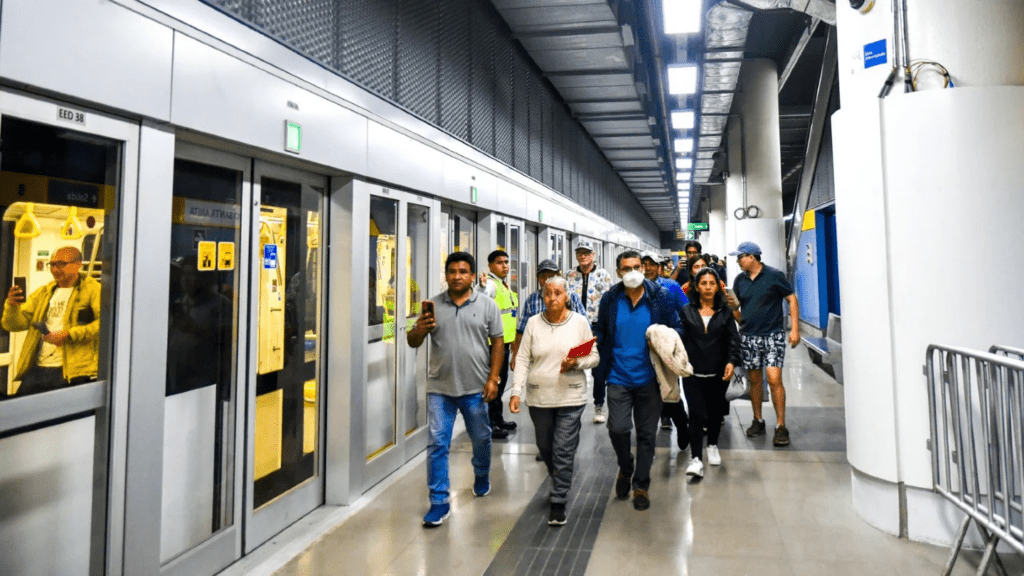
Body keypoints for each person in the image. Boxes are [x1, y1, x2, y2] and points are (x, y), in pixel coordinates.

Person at [407, 252, 503, 527]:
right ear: (446, 275)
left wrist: (493, 379)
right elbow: (412, 341)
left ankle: (482, 474)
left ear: (473, 275)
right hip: (440, 388)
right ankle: (439, 500)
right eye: (452, 271)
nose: (457, 276)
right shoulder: (433, 306)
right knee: (437, 443)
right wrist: (419, 329)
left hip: (475, 387)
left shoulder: (486, 305)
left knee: (482, 439)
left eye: (463, 271)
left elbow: (497, 342)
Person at [594, 250, 682, 511]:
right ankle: (625, 466)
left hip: (650, 379)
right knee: (618, 428)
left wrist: (665, 336)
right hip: (618, 376)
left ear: (643, 269)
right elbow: (600, 331)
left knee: (646, 435)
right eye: (626, 268)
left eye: (636, 266)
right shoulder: (611, 299)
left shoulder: (660, 297)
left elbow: (678, 328)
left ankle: (641, 485)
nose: (632, 271)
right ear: (619, 272)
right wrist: (582, 349)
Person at [509, 276, 599, 526]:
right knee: (545, 447)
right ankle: (558, 475)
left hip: (571, 394)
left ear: (566, 296)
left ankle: (559, 499)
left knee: (563, 449)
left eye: (558, 293)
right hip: (539, 396)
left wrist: (576, 362)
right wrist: (516, 391)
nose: (552, 298)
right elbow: (523, 359)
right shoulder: (533, 324)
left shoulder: (579, 323)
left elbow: (594, 357)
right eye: (547, 293)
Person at [726, 241, 800, 447]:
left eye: (740, 257)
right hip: (749, 336)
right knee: (755, 380)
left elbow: (791, 300)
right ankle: (758, 420)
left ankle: (780, 426)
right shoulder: (740, 280)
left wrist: (795, 329)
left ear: (752, 257)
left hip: (773, 335)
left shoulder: (774, 275)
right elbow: (739, 311)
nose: (738, 261)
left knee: (774, 378)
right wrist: (732, 309)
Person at [3, 246, 101, 396]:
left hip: (70, 371)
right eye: (52, 265)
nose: (55, 269)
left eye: (61, 264)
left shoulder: (93, 290)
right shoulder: (44, 292)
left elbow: (104, 325)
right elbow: (15, 325)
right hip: (39, 366)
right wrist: (12, 306)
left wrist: (69, 334)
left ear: (78, 265)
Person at [679, 267, 741, 477]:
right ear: (696, 286)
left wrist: (732, 361)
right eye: (703, 283)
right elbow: (679, 338)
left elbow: (734, 339)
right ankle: (696, 458)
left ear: (718, 287)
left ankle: (712, 445)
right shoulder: (686, 311)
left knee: (715, 413)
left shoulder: (725, 312)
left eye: (711, 283)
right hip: (692, 374)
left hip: (718, 374)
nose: (707, 287)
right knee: (695, 414)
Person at [641, 251, 690, 437]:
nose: (647, 269)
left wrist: (676, 340)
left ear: (659, 267)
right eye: (643, 265)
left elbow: (684, 313)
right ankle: (662, 416)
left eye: (651, 264)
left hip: (665, 348)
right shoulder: (632, 291)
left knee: (669, 386)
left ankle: (679, 418)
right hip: (642, 349)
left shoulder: (670, 287)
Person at [565, 240, 613, 423]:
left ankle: (599, 405)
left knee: (598, 370)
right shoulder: (569, 275)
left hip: (596, 328)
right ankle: (568, 404)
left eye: (586, 253)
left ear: (593, 255)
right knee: (571, 363)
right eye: (579, 253)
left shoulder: (603, 276)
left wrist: (605, 329)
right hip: (574, 328)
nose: (583, 256)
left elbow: (609, 303)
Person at [510, 259, 586, 372]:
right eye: (543, 277)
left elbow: (585, 327)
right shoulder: (532, 299)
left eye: (550, 276)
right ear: (537, 278)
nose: (546, 280)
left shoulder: (571, 297)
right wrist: (516, 355)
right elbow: (521, 330)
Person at [478, 249, 520, 439]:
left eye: (506, 262)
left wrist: (513, 344)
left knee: (501, 383)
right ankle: (490, 424)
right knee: (493, 382)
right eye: (499, 263)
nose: (505, 266)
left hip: (504, 342)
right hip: (492, 345)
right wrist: (481, 287)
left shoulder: (504, 285)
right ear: (490, 265)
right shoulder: (491, 285)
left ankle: (497, 418)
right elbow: (482, 297)